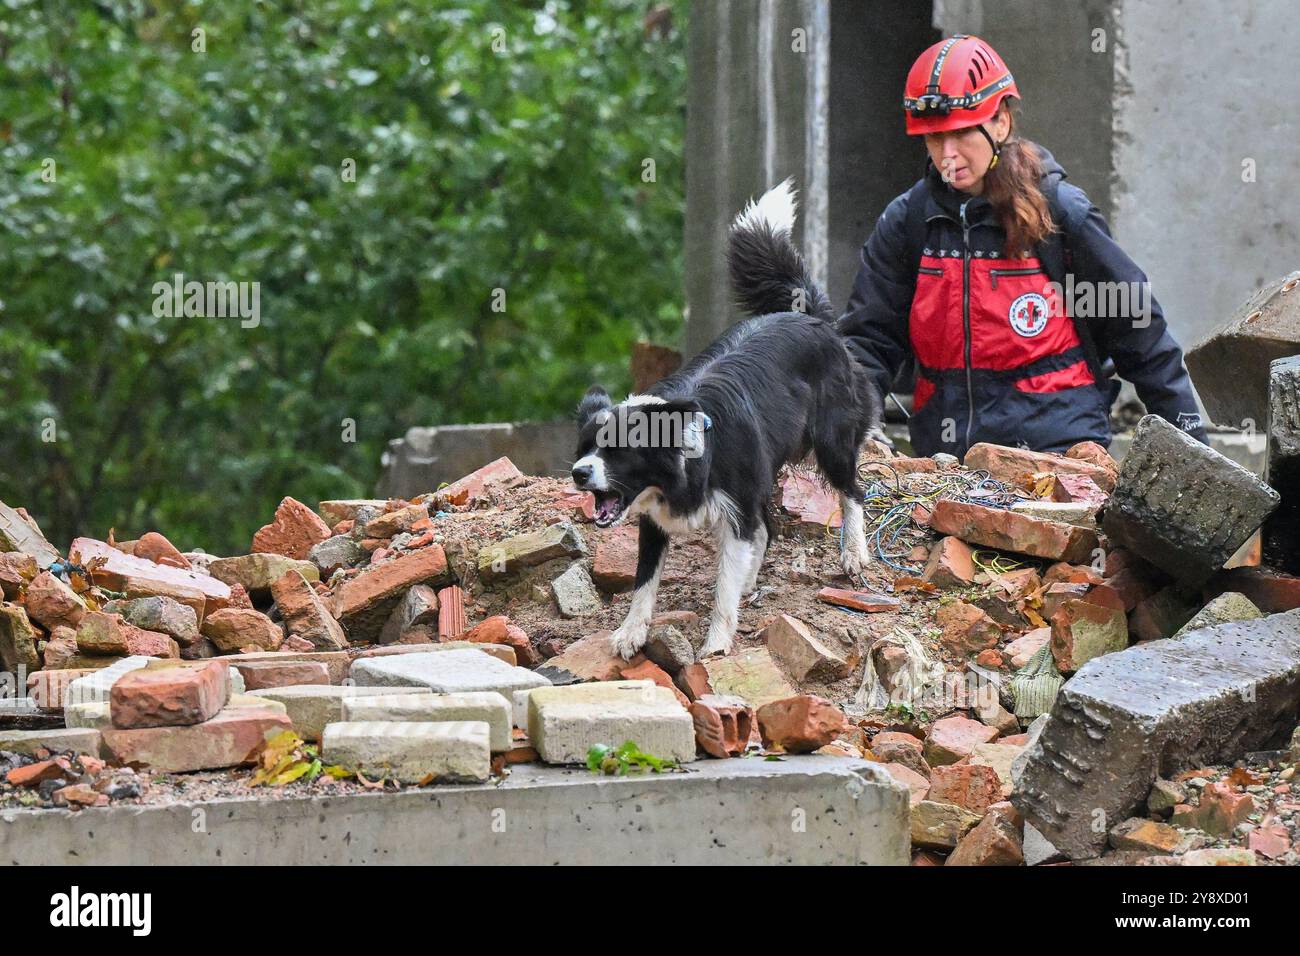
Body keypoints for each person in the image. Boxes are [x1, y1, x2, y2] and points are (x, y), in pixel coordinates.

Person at [838, 34, 1207, 457]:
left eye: (960, 134)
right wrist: (854, 422)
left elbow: (1139, 332)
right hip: (944, 466)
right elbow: (868, 340)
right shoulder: (907, 222)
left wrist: (1191, 449)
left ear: (1001, 122)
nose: (948, 155)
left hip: (1059, 458)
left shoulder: (1063, 213)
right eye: (934, 138)